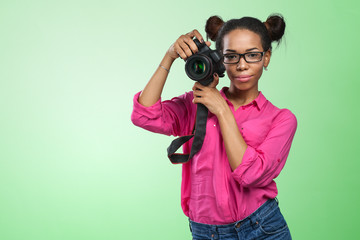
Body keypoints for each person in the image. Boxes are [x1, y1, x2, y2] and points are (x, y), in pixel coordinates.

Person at [131, 14, 297, 240]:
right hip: (205, 232)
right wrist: (169, 56)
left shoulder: (282, 119)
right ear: (220, 60)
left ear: (266, 58)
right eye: (231, 56)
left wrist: (221, 109)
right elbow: (144, 115)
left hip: (261, 228)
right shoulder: (196, 104)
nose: (241, 64)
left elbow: (250, 175)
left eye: (252, 55)